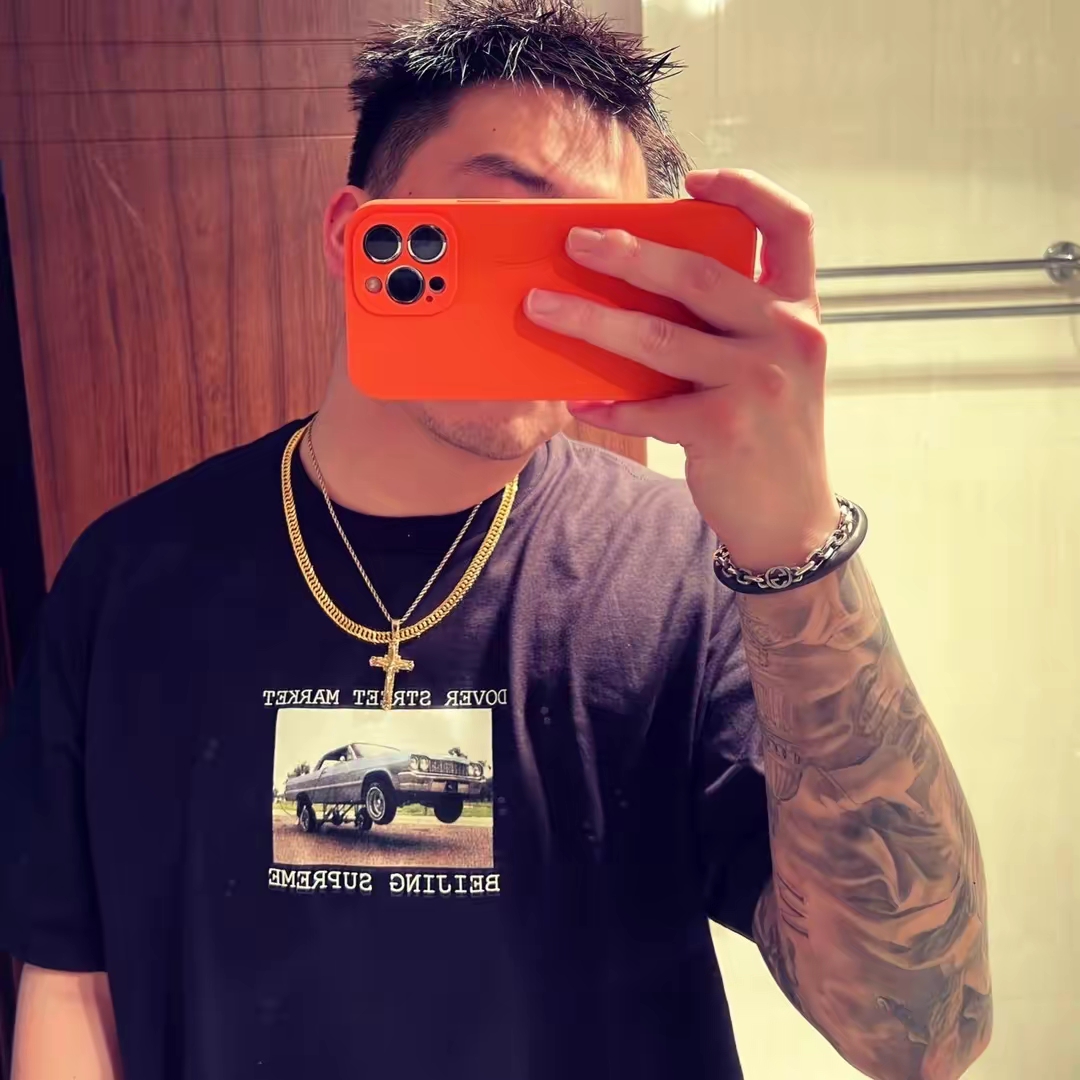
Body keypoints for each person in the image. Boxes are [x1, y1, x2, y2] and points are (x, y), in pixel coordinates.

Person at [0, 1, 992, 1078]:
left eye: (598, 259)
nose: (543, 297)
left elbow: (922, 1030)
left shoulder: (695, 575)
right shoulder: (129, 578)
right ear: (353, 238)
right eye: (500, 229)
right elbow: (70, 981)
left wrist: (795, 544)